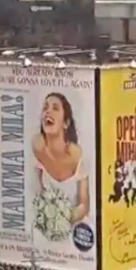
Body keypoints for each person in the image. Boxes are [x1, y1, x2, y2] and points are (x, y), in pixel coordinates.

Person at [31, 92, 91, 233]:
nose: (48, 112)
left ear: (66, 123)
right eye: (45, 108)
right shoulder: (36, 147)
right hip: (46, 230)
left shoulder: (79, 156)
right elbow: (37, 194)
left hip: (77, 232)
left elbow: (84, 205)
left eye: (55, 108)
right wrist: (48, 219)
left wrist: (62, 219)